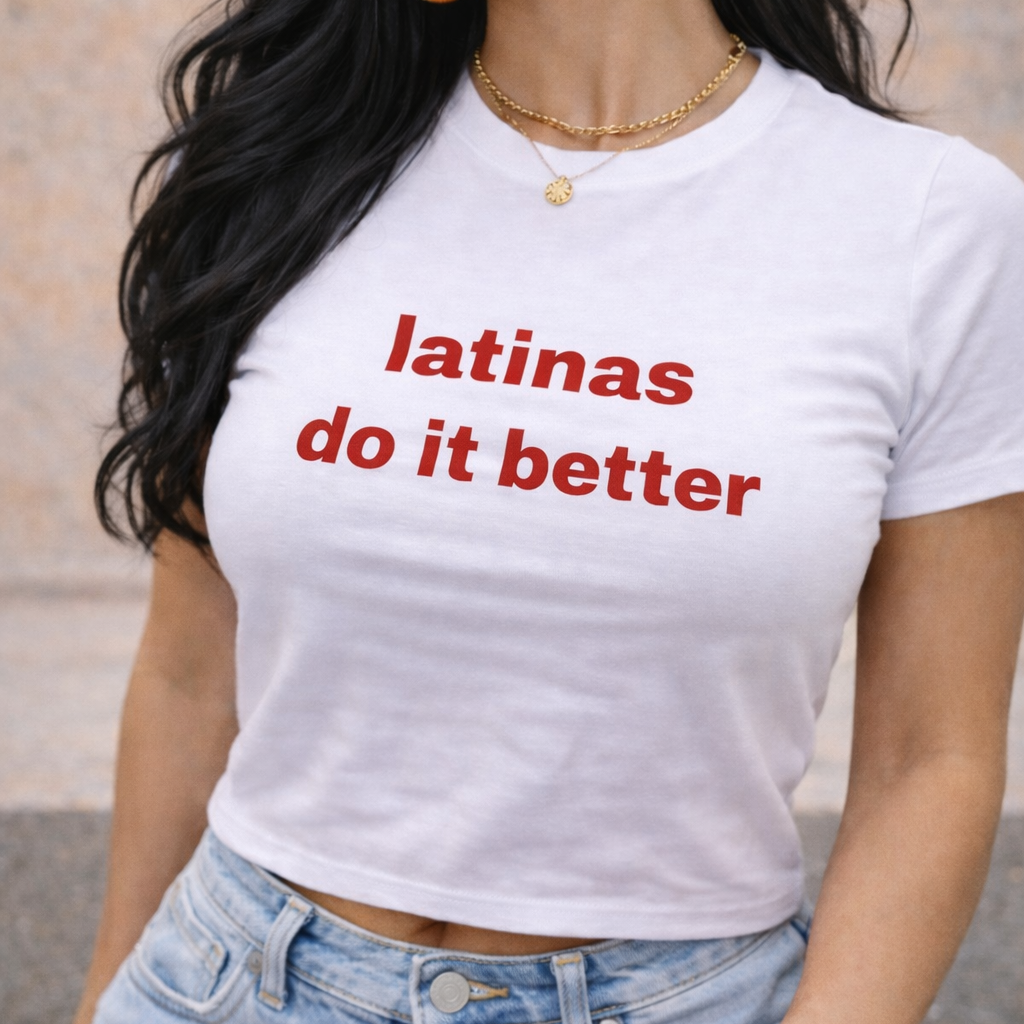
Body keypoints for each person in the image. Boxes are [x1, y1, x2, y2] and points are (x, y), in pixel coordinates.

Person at [76, 0, 1024, 1021]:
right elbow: (187, 666)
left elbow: (929, 757)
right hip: (226, 974)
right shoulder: (273, 160)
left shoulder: (929, 219)